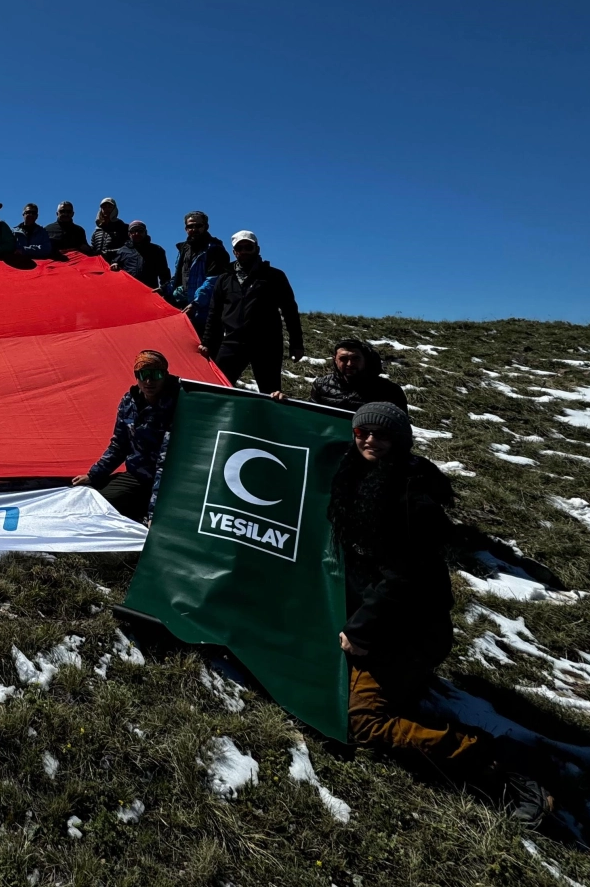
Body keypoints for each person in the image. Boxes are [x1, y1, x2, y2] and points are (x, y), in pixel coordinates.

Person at [329, 403, 550, 823]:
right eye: (362, 433)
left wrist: (360, 629)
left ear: (401, 439)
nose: (370, 440)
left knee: (362, 723)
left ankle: (493, 760)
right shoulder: (351, 477)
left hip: (410, 630)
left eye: (382, 434)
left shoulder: (412, 496)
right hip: (373, 622)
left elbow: (406, 576)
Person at [72, 350, 180, 523]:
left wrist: (155, 513)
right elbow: (119, 444)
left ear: (165, 375)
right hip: (138, 476)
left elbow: (164, 463)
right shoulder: (129, 402)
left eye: (155, 375)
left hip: (173, 482)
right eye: (143, 375)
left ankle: (147, 509)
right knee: (97, 504)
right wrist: (94, 475)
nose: (148, 381)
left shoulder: (181, 404)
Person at [198, 231, 303, 396]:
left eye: (249, 247)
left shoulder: (274, 276)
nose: (244, 251)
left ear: (257, 249)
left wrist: (297, 344)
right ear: (234, 252)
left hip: (267, 344)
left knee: (271, 393)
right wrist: (207, 342)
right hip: (232, 342)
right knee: (217, 388)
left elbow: (290, 311)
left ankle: (266, 422)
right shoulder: (224, 278)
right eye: (240, 247)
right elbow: (214, 313)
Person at [273, 338, 409, 412]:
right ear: (335, 360)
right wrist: (286, 402)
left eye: (356, 358)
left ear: (365, 360)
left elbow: (401, 431)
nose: (349, 364)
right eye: (343, 359)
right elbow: (311, 415)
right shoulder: (322, 385)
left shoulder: (389, 391)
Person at [171, 210, 231, 329]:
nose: (194, 229)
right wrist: (164, 290)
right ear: (186, 228)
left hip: (207, 313)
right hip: (185, 309)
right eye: (190, 226)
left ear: (206, 227)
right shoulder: (184, 249)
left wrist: (196, 303)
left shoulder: (216, 249)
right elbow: (178, 277)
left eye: (198, 226)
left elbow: (213, 281)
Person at [113, 220, 171, 290]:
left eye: (140, 231)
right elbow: (113, 268)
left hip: (150, 292)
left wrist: (163, 289)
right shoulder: (122, 251)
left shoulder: (157, 250)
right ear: (129, 234)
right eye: (133, 231)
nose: (136, 233)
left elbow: (165, 274)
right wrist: (114, 264)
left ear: (145, 233)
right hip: (127, 292)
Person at [91, 198, 130, 263]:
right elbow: (93, 248)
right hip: (98, 263)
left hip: (117, 264)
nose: (107, 209)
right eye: (104, 207)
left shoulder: (122, 227)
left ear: (114, 209)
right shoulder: (97, 231)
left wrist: (108, 253)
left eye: (109, 207)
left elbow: (127, 248)